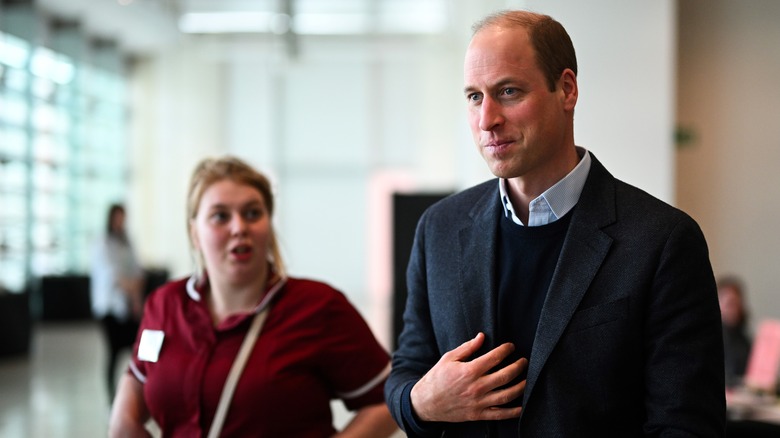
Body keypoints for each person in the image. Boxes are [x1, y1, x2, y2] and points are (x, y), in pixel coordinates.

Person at [385, 9, 725, 437]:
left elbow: (687, 426)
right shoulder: (439, 228)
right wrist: (421, 402)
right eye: (474, 96)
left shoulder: (663, 241)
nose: (487, 119)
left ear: (566, 89)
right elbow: (407, 371)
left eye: (508, 91)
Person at [109, 156, 397, 437]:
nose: (239, 228)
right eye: (221, 216)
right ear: (194, 232)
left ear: (268, 226)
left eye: (252, 213)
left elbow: (388, 399)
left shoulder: (319, 307)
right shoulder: (165, 304)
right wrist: (123, 420)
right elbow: (140, 373)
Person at [91, 203, 145, 401]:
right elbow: (112, 276)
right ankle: (111, 398)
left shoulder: (127, 242)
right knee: (113, 353)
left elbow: (137, 271)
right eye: (118, 217)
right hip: (109, 307)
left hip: (128, 307)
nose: (121, 221)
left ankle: (133, 395)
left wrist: (136, 294)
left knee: (136, 350)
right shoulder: (102, 243)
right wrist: (131, 286)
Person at [718, 275, 752, 388]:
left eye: (737, 304)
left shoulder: (743, 338)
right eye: (730, 304)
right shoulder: (714, 338)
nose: (734, 310)